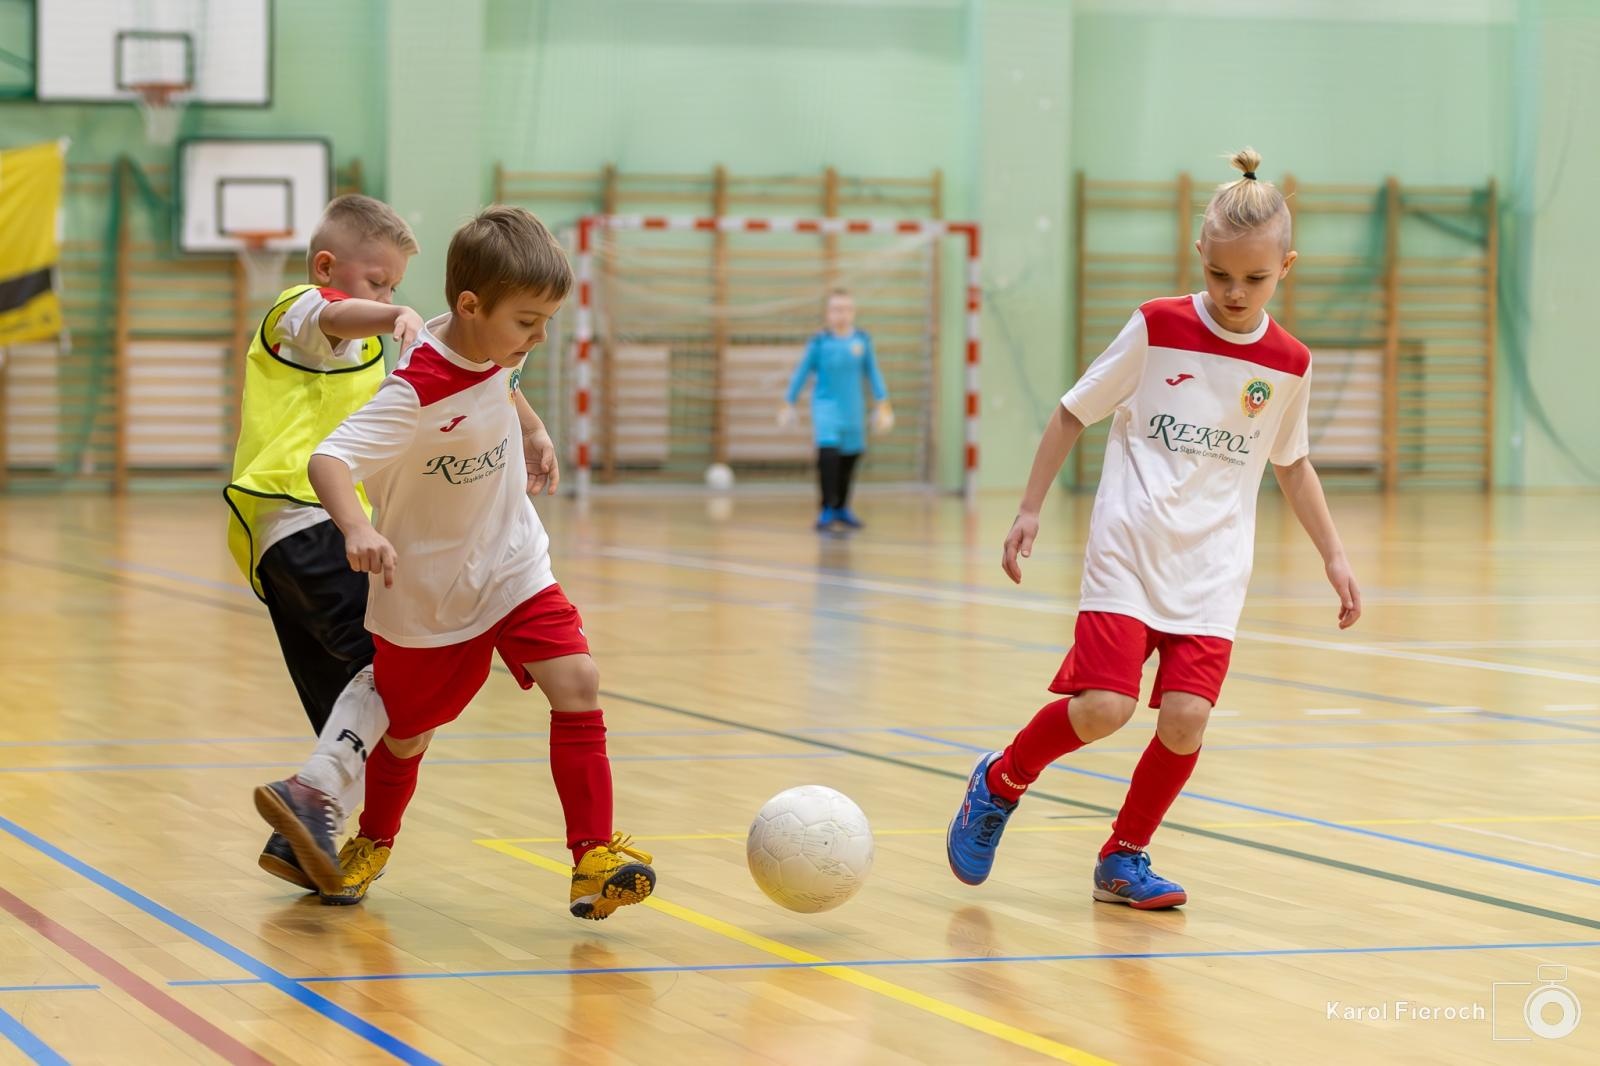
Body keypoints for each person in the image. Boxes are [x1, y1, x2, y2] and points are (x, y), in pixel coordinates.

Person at [945, 149, 1361, 909]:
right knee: (1105, 707)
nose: (1235, 293)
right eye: (1220, 275)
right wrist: (1029, 507)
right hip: (1129, 552)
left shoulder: (1289, 363)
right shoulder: (1156, 326)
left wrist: (1334, 557)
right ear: (1199, 253)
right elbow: (1073, 409)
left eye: (1255, 279)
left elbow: (1293, 466)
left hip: (1212, 569)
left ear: (1286, 267)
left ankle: (1123, 857)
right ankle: (999, 783)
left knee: (1185, 719)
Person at [253, 206, 657, 918]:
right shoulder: (412, 389)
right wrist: (355, 528)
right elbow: (329, 459)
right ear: (470, 306)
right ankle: (372, 839)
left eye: (546, 323)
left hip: (513, 565)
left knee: (579, 679)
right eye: (527, 322)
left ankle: (592, 857)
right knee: (406, 735)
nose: (537, 339)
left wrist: (532, 431)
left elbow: (498, 383)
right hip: (430, 593)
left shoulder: (485, 349)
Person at [224, 194, 420, 891]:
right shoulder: (298, 313)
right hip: (303, 520)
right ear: (326, 267)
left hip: (294, 545)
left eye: (396, 287)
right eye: (377, 281)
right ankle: (310, 796)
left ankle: (296, 834)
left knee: (348, 699)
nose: (388, 298)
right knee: (400, 670)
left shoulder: (370, 357)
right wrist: (389, 315)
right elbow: (334, 315)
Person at [781, 289, 893, 531]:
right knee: (828, 457)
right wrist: (788, 401)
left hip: (853, 410)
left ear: (853, 312)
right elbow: (802, 372)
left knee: (849, 459)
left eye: (846, 309)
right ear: (828, 314)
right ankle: (827, 507)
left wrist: (882, 401)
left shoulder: (862, 342)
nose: (841, 314)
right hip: (826, 409)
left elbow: (873, 372)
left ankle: (842, 507)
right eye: (836, 309)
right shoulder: (820, 343)